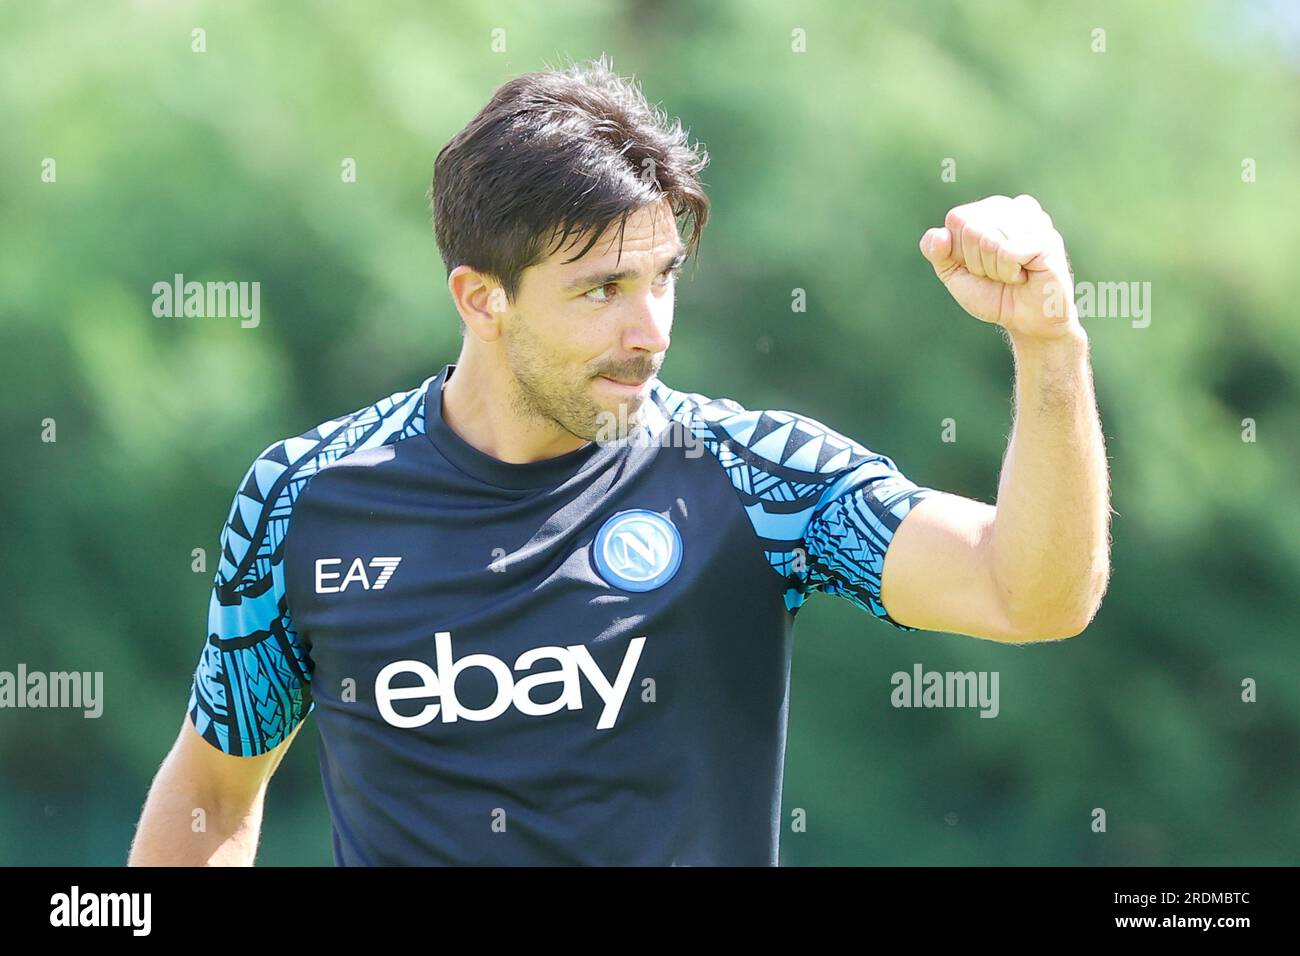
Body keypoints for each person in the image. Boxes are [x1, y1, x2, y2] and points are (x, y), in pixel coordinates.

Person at [129, 54, 1110, 866]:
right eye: (601, 289)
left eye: (662, 278)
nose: (650, 330)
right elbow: (215, 787)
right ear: (480, 298)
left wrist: (1050, 344)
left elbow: (1028, 594)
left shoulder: (754, 479)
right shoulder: (307, 499)